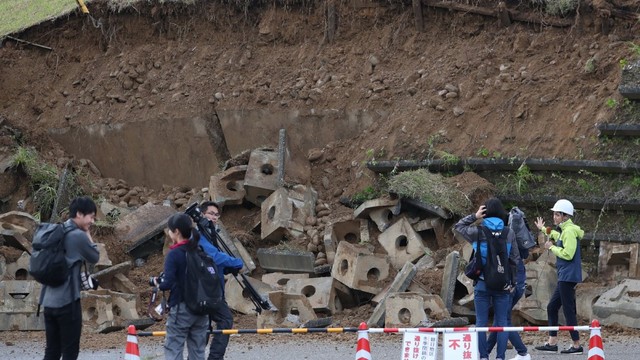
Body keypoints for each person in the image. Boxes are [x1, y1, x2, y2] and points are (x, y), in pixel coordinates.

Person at [454, 197, 520, 360]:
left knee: (481, 323)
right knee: (502, 323)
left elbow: (459, 226)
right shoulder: (508, 232)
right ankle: (500, 357)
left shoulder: (478, 231)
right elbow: (515, 259)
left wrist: (474, 217)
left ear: (485, 212)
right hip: (503, 285)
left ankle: (483, 357)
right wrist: (512, 282)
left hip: (482, 283)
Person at [40, 196, 100, 360]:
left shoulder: (55, 230)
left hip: (48, 302)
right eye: (91, 217)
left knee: (51, 351)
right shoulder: (77, 236)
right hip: (67, 303)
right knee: (70, 352)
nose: (92, 221)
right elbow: (95, 256)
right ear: (79, 214)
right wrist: (87, 233)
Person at [534, 199, 584, 355]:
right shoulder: (565, 229)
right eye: (554, 214)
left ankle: (576, 345)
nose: (554, 217)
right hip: (565, 275)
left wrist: (552, 247)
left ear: (565, 216)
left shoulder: (569, 231)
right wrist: (544, 229)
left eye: (557, 214)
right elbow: (556, 234)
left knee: (568, 311)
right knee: (552, 307)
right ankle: (552, 342)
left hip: (568, 276)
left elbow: (568, 254)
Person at [158, 213, 209, 360]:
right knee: (198, 351)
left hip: (182, 308)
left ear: (177, 232)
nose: (168, 232)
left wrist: (157, 283)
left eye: (170, 229)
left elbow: (167, 283)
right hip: (202, 308)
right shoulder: (199, 250)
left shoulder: (174, 253)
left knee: (174, 348)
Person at [197, 201, 243, 360]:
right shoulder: (199, 235)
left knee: (204, 325)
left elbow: (212, 262)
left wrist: (226, 268)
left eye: (216, 215)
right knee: (225, 319)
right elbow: (214, 257)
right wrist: (236, 262)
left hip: (210, 290)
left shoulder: (209, 234)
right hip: (207, 292)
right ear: (202, 214)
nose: (214, 217)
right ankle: (214, 358)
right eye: (210, 213)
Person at [487, 213, 532, 360]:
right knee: (500, 319)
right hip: (518, 282)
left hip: (511, 284)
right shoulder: (517, 234)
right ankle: (485, 352)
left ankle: (523, 352)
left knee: (504, 320)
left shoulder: (506, 236)